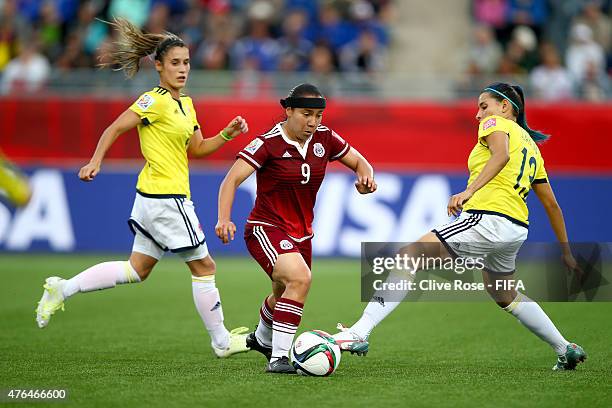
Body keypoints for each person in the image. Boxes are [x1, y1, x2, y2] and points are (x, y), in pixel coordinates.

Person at [333, 82, 587, 371]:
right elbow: (552, 205)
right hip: (515, 229)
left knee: (409, 255)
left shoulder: (496, 123)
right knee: (504, 293)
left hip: (488, 218)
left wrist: (468, 192)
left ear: (505, 107)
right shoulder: (532, 148)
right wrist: (566, 252)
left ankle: (359, 331)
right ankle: (564, 347)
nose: (478, 115)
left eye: (484, 106)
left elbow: (500, 156)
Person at [35, 18, 250, 358]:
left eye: (187, 62)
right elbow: (114, 127)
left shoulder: (186, 104)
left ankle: (63, 288)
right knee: (205, 267)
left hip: (155, 198)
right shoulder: (155, 100)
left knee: (137, 269)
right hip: (166, 198)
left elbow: (196, 148)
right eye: (175, 63)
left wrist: (227, 134)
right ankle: (221, 341)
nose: (183, 69)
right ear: (159, 65)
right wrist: (95, 161)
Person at [216, 83, 377, 373]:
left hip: (302, 233)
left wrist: (366, 179)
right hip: (265, 228)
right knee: (300, 279)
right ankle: (279, 358)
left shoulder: (325, 138)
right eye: (306, 114)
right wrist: (224, 219)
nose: (313, 122)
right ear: (288, 111)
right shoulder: (268, 143)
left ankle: (262, 339)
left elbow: (360, 162)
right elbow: (230, 180)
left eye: (318, 115)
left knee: (283, 293)